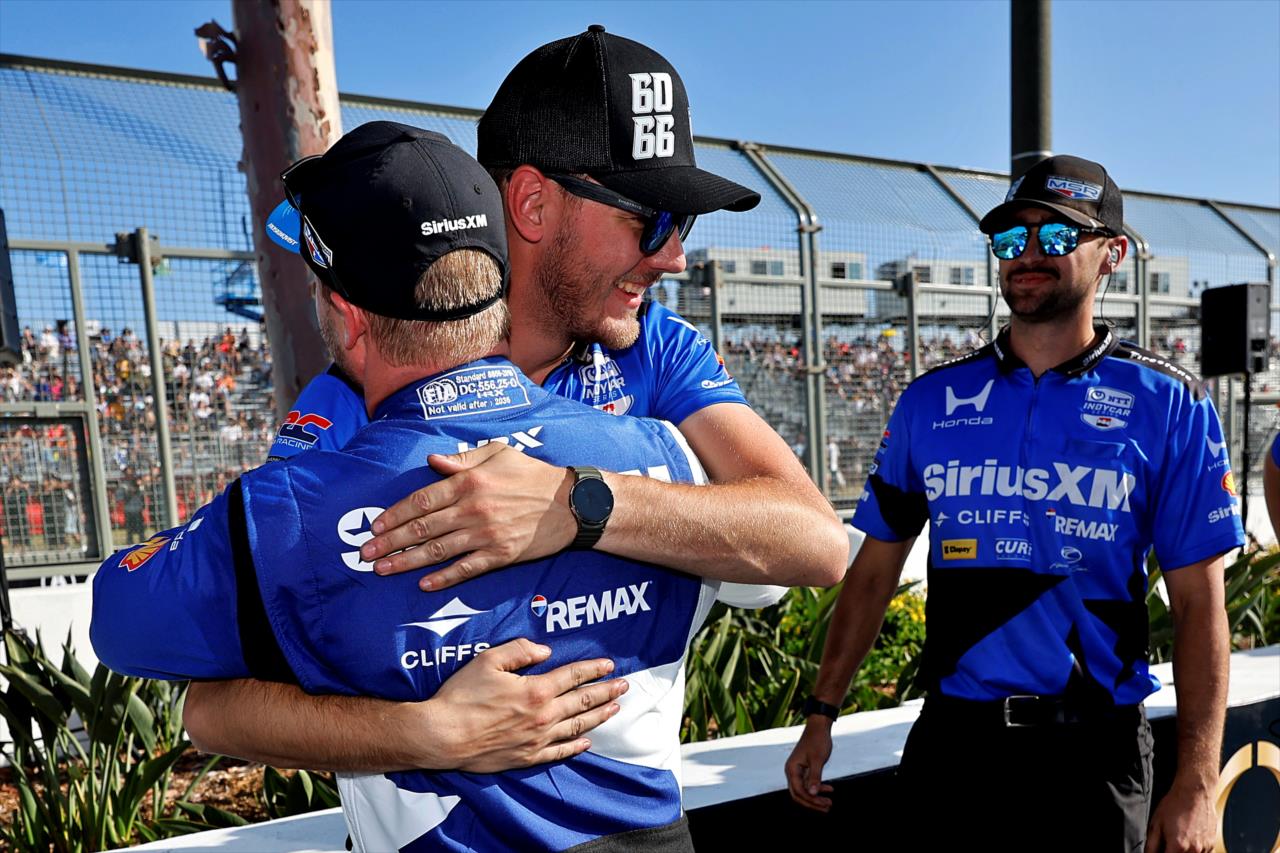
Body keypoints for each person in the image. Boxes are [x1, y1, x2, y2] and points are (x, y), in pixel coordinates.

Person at [92, 125, 785, 851]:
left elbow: (122, 623)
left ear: (350, 317)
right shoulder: (667, 455)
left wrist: (424, 733)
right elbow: (769, 574)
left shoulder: (288, 512)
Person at [185, 25, 846, 771]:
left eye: (681, 222)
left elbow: (814, 541)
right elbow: (212, 709)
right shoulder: (358, 395)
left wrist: (577, 503)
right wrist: (431, 736)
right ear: (531, 204)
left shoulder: (654, 346)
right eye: (651, 219)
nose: (674, 256)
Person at [785, 155, 1244, 853]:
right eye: (1010, 239)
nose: (1028, 254)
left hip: (1097, 752)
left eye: (1057, 237)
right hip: (955, 748)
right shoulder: (930, 401)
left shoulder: (1170, 405)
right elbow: (874, 570)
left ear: (1112, 255)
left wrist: (1199, 784)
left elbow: (1200, 605)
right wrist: (822, 710)